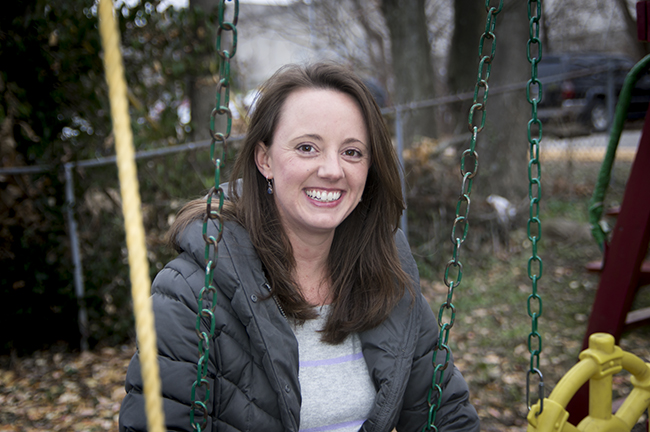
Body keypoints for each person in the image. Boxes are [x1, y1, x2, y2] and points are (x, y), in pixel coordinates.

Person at [119, 62, 479, 432]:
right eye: (307, 147)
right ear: (265, 159)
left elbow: (446, 418)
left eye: (352, 152)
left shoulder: (390, 275)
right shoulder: (191, 292)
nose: (332, 170)